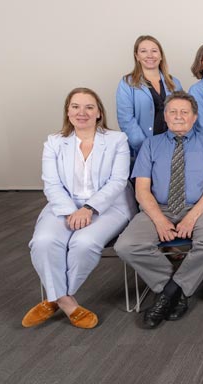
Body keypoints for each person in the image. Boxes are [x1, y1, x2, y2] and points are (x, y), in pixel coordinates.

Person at [23, 88, 136, 329]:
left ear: (99, 113)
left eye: (89, 107)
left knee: (83, 243)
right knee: (43, 241)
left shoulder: (117, 140)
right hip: (63, 203)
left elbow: (118, 181)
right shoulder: (54, 142)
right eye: (75, 106)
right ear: (68, 111)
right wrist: (69, 210)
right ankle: (67, 303)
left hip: (109, 205)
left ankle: (54, 298)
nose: (81, 112)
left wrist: (89, 208)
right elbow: (51, 183)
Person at [115, 91, 203, 329]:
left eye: (184, 112)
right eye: (173, 112)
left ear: (194, 117)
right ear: (165, 116)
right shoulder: (150, 145)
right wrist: (159, 220)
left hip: (201, 207)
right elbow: (142, 190)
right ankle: (175, 286)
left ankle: (170, 291)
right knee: (126, 245)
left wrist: (191, 218)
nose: (178, 117)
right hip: (159, 207)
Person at [116, 35, 182, 158]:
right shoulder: (127, 83)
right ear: (137, 56)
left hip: (173, 148)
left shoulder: (174, 83)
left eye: (154, 51)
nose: (149, 55)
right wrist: (146, 146)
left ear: (161, 56)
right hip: (142, 150)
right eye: (143, 51)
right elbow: (126, 120)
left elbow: (184, 115)